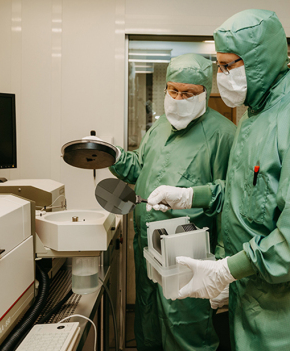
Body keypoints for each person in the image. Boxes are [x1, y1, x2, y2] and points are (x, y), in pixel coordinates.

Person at [146, 10, 290, 350]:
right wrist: (189, 196)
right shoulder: (254, 117)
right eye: (220, 67)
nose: (222, 77)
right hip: (255, 293)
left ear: (259, 61)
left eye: (230, 66)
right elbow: (247, 196)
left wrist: (229, 269)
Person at [109, 53, 236, 351]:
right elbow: (141, 168)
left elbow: (231, 198)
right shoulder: (159, 127)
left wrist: (223, 263)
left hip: (188, 255)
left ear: (205, 92)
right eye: (173, 90)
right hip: (146, 249)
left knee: (186, 333)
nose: (178, 99)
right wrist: (114, 158)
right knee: (148, 325)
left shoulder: (224, 136)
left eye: (188, 93)